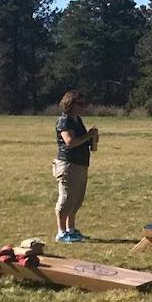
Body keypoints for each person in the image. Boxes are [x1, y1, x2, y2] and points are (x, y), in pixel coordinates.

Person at [53, 90, 100, 243]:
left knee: (77, 199)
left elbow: (84, 142)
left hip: (80, 163)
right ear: (71, 104)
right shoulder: (64, 120)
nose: (84, 107)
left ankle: (71, 229)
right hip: (68, 164)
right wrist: (88, 135)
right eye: (81, 104)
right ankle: (61, 232)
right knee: (66, 198)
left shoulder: (77, 120)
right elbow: (70, 142)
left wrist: (93, 137)